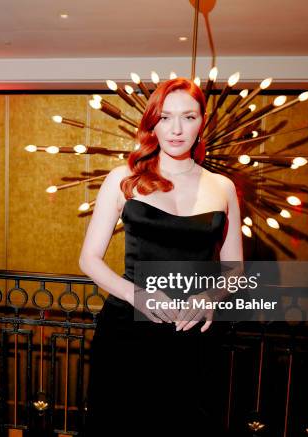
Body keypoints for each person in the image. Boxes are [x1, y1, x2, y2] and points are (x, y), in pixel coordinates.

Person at [79, 77, 242, 436]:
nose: (176, 129)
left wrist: (209, 298)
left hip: (194, 335)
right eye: (165, 117)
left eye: (188, 117)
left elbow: (235, 269)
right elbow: (89, 259)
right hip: (128, 332)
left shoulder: (223, 187)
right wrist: (135, 294)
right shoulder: (124, 179)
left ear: (203, 121)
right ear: (153, 122)